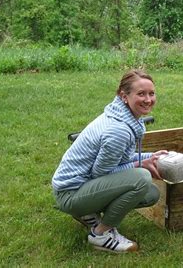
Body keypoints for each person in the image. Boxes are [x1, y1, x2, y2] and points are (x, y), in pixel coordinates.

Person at [52, 69, 167, 253]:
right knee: (142, 178)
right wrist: (140, 165)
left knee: (151, 193)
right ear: (124, 96)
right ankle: (101, 234)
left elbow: (119, 158)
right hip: (70, 194)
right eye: (141, 94)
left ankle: (88, 212)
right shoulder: (118, 130)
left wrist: (150, 157)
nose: (148, 99)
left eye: (151, 93)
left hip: (79, 186)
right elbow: (102, 173)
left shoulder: (123, 116)